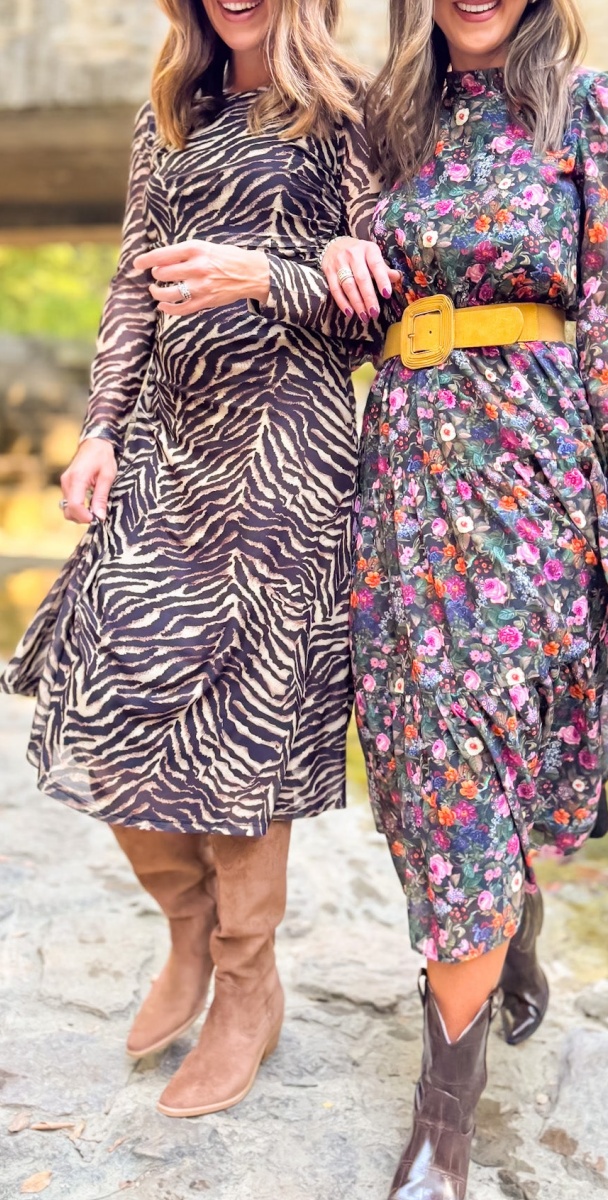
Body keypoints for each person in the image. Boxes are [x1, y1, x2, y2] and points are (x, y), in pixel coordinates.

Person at [321, 0, 608, 1195]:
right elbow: (341, 310)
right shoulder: (385, 124)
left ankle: (442, 1121)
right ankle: (502, 931)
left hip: (530, 473)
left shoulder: (592, 107)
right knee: (421, 755)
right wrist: (333, 261)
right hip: (402, 476)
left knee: (487, 742)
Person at [0, 0, 394, 1119]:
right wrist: (100, 431)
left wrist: (265, 274)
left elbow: (386, 304)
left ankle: (245, 982)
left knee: (242, 718)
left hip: (285, 452)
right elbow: (135, 284)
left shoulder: (353, 109)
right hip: (167, 446)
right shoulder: (170, 111)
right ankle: (187, 929)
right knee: (109, 674)